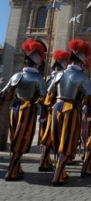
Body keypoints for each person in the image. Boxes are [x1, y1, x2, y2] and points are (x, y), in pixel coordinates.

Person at [48, 39, 91, 186]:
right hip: (71, 110)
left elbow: (49, 94)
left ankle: (61, 171)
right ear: (82, 61)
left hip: (56, 107)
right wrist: (89, 108)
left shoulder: (59, 74)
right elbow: (90, 97)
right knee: (67, 141)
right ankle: (57, 175)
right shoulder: (81, 76)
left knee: (56, 140)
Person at [2, 39, 47, 181]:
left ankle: (17, 166)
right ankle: (12, 170)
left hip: (13, 109)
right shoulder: (38, 78)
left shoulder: (16, 76)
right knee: (22, 139)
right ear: (36, 63)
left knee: (14, 137)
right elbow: (44, 98)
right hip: (28, 111)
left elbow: (4, 94)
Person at [38, 49, 70, 172]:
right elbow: (49, 94)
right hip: (54, 110)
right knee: (55, 137)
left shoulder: (50, 77)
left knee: (48, 137)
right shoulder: (57, 77)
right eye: (64, 62)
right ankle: (51, 163)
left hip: (48, 109)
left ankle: (44, 161)